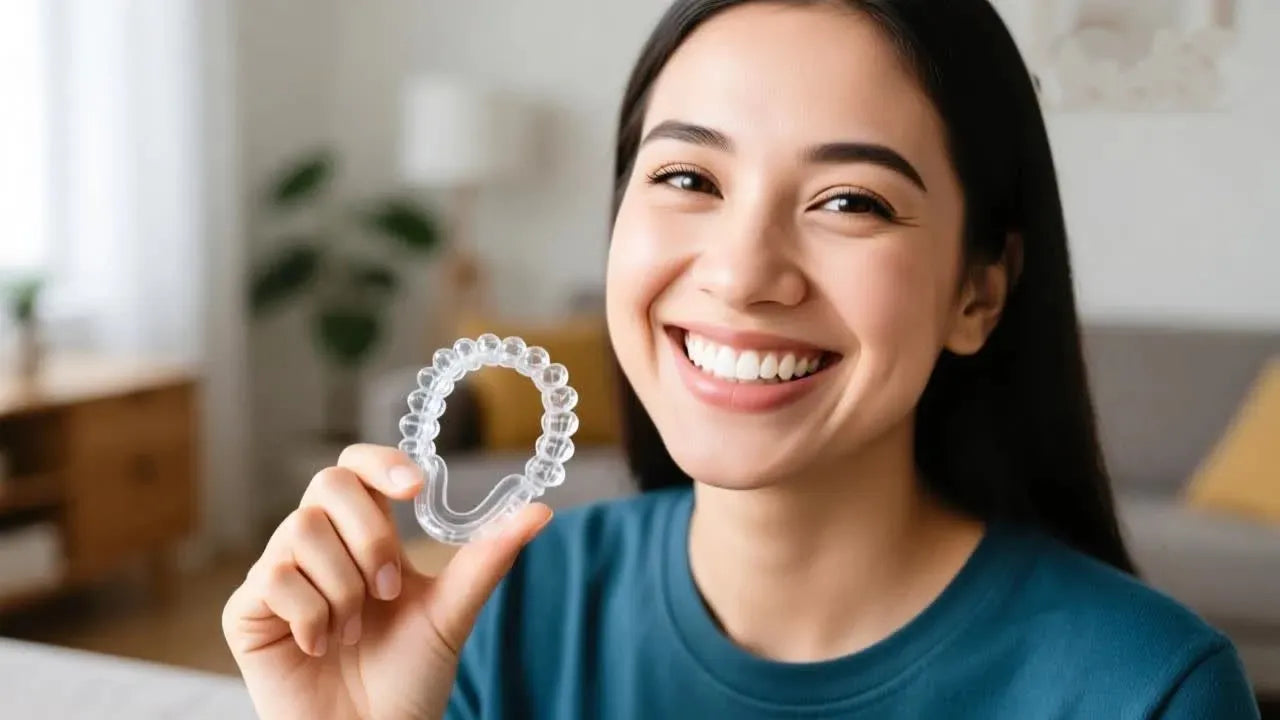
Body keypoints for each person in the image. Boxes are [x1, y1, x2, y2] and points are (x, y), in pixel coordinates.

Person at [223, 1, 1262, 717]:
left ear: (977, 292)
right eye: (688, 178)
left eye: (850, 201)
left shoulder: (1149, 692)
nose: (741, 272)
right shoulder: (503, 613)